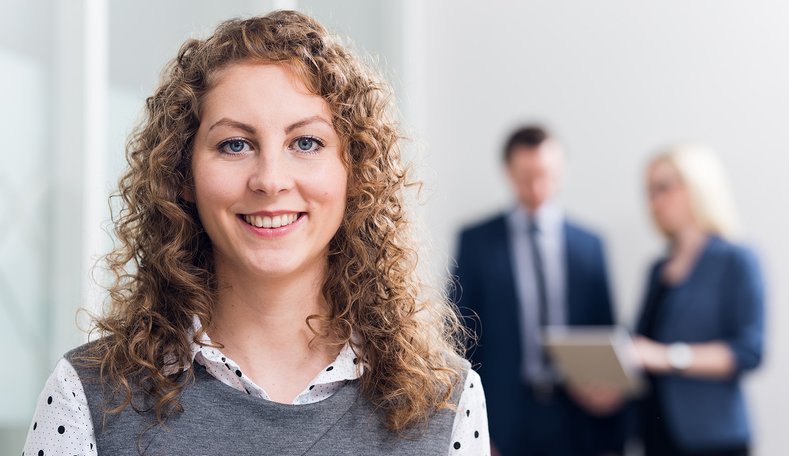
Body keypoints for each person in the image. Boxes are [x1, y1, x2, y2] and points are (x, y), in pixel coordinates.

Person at [24, 11, 489, 456]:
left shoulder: (447, 400)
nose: (270, 180)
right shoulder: (85, 396)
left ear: (356, 173)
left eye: (305, 143)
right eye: (235, 145)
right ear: (181, 174)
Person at [451, 125, 623, 456]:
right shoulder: (476, 241)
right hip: (503, 413)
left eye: (546, 174)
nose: (537, 185)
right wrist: (471, 425)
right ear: (508, 172)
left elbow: (605, 329)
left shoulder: (589, 245)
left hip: (577, 414)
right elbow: (460, 333)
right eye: (526, 174)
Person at [634, 144, 765, 456]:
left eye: (664, 187)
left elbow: (749, 350)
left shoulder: (736, 259)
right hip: (656, 432)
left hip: (713, 436)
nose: (655, 200)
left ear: (698, 186)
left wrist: (667, 357)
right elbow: (642, 345)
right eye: (650, 191)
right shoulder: (658, 269)